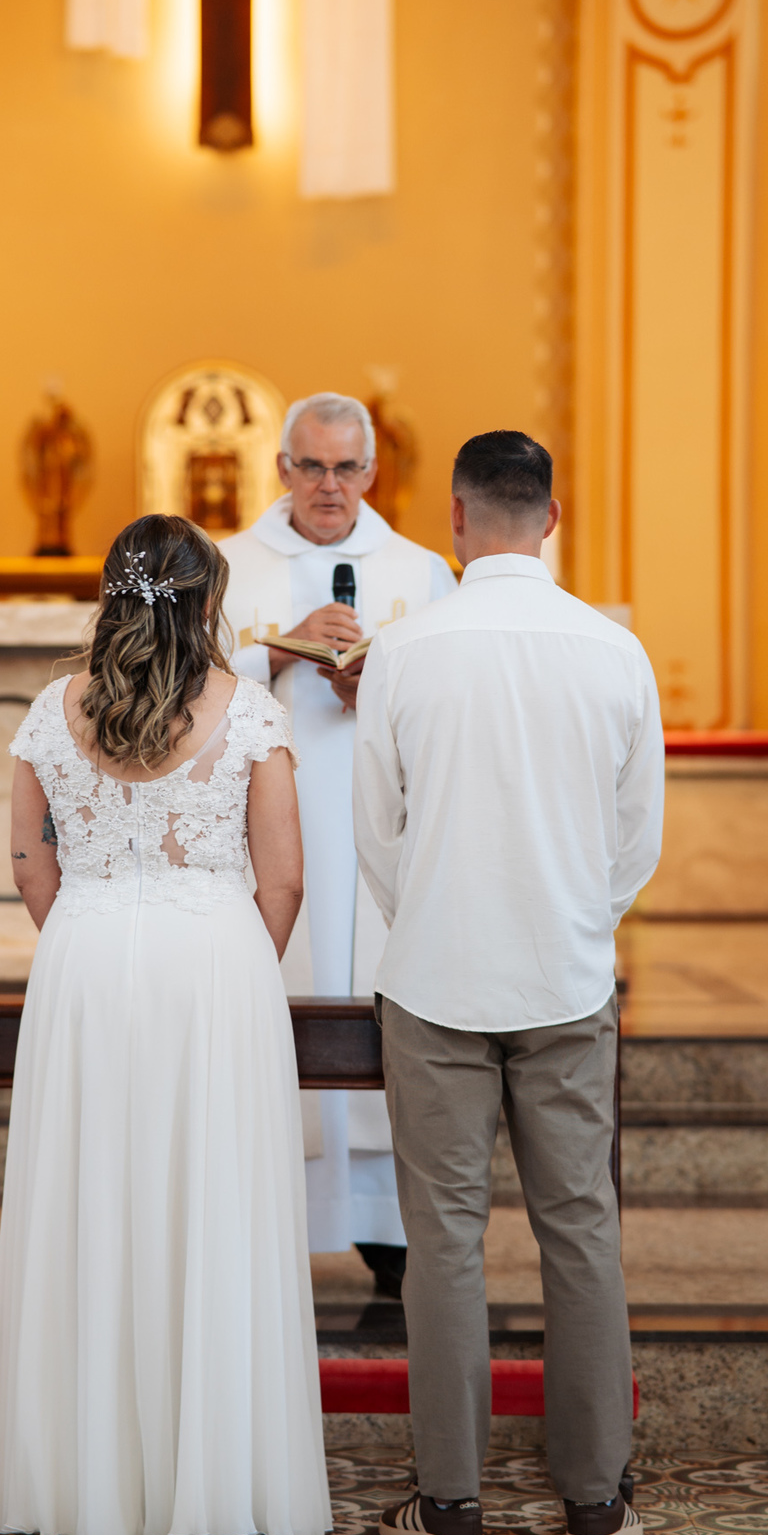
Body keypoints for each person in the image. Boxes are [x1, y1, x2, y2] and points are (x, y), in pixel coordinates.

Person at [0, 515, 332, 1535]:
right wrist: (225, 955)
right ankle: (212, 1476)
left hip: (82, 963)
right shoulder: (250, 710)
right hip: (214, 962)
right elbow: (287, 879)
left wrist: (89, 930)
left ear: (112, 595)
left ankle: (88, 1480)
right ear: (209, 601)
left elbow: (29, 866)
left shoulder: (53, 709)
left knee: (89, 1198)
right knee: (208, 1199)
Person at [352, 431, 664, 1535]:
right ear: (553, 514)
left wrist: (433, 913)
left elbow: (375, 833)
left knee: (443, 1240)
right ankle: (595, 1507)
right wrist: (580, 924)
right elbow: (638, 839)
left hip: (434, 978)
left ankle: (449, 1510)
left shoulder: (405, 652)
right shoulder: (613, 651)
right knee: (581, 1230)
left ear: (454, 518)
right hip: (568, 977)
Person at [222, 394, 455, 1294]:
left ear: (372, 471)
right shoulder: (228, 567)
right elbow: (179, 687)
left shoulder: (423, 570)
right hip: (256, 834)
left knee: (379, 999)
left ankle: (388, 1236)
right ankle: (265, 1225)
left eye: (347, 468)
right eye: (312, 466)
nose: (330, 486)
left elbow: (452, 697)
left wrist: (381, 689)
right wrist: (274, 659)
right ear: (280, 468)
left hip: (379, 835)